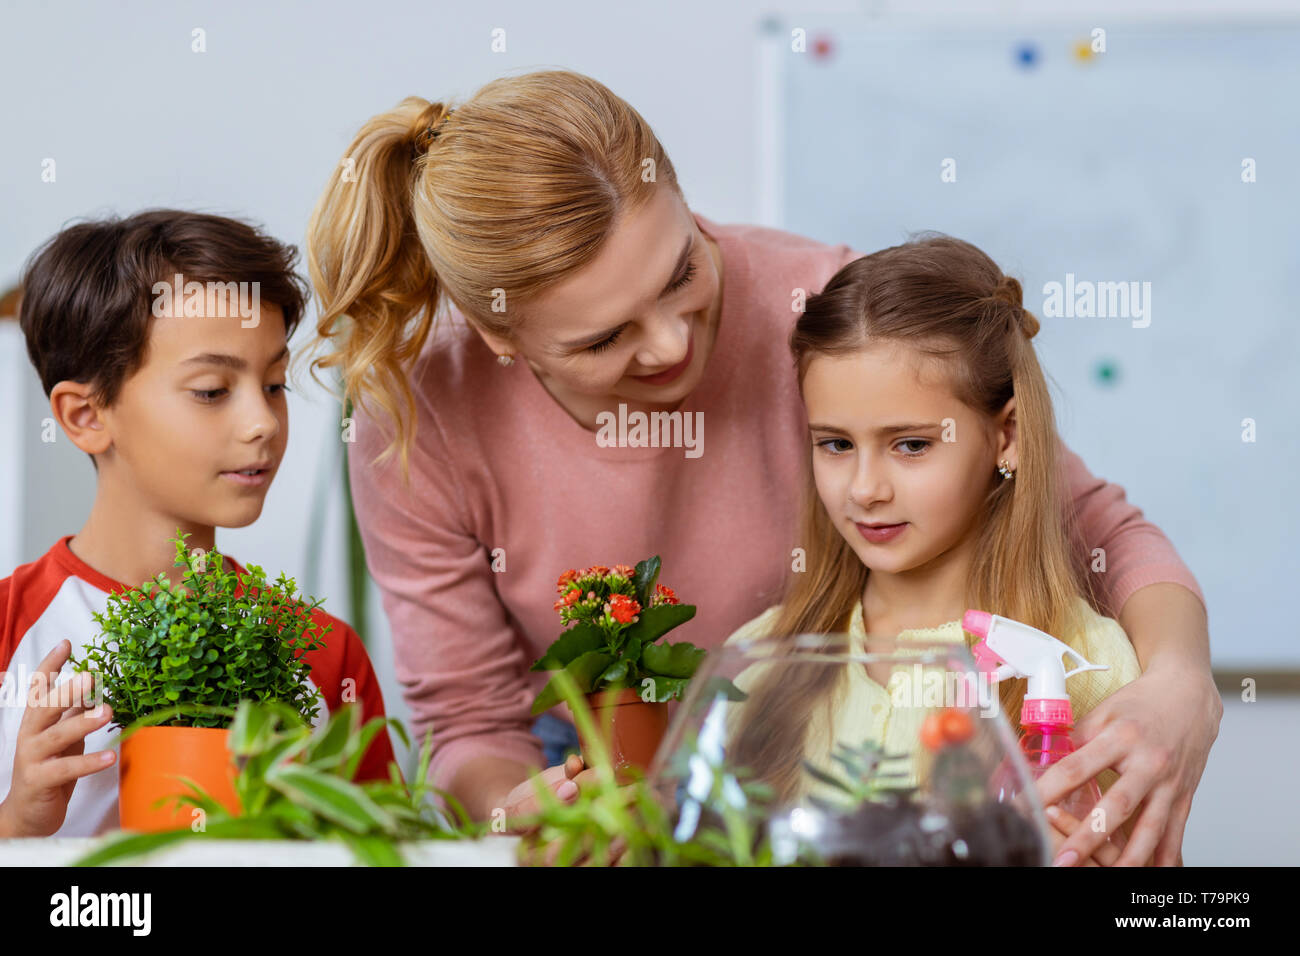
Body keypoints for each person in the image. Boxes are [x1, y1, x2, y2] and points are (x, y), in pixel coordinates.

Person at [304, 68, 1219, 865]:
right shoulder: (416, 422)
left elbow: (1098, 528)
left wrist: (1179, 683)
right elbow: (467, 720)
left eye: (680, 273)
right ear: (502, 334)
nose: (671, 344)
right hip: (596, 758)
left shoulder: (825, 311)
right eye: (605, 337)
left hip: (809, 732)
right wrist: (527, 813)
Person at [723, 235, 1163, 864]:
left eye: (910, 445)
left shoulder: (1092, 671)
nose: (865, 490)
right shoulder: (758, 664)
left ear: (1005, 436)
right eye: (836, 444)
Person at [0, 210, 395, 838]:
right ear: (83, 415)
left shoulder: (325, 653)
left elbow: (384, 850)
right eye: (212, 390)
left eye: (272, 384)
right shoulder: (9, 628)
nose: (262, 422)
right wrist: (18, 818)